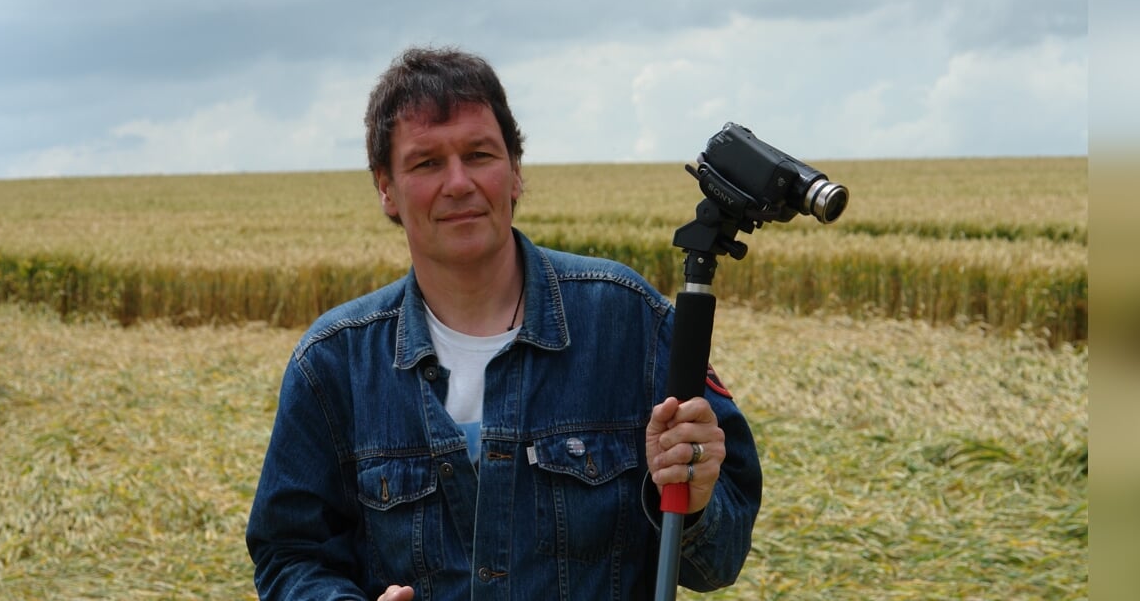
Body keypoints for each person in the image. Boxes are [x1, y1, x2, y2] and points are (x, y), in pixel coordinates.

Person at [246, 47, 761, 599]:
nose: (459, 182)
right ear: (386, 188)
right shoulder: (333, 364)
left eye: (480, 154)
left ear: (515, 172)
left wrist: (698, 496)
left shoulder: (627, 321)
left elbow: (718, 563)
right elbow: (289, 555)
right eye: (426, 163)